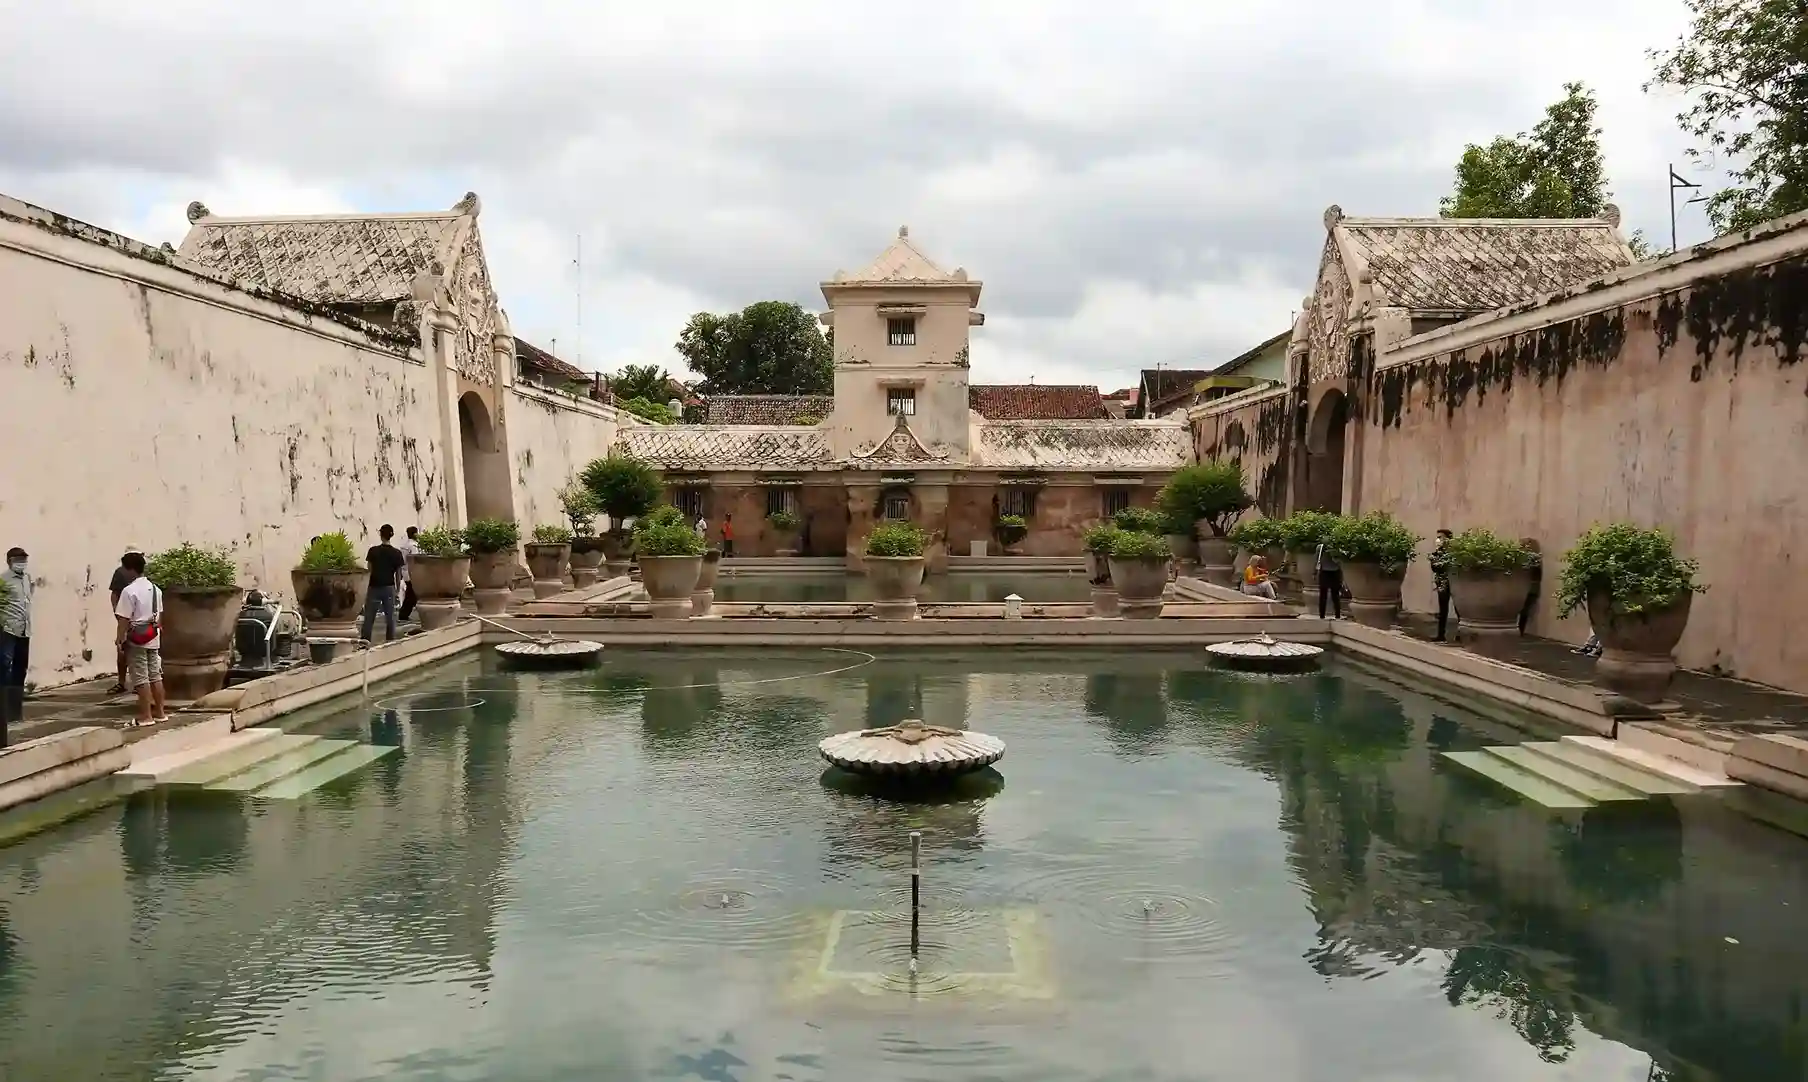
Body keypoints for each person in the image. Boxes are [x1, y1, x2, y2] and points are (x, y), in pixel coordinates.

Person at [114, 551, 166, 728]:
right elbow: (159, 616)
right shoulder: (155, 589)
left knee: (140, 677)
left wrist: (119, 640)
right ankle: (160, 712)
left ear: (130, 570)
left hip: (136, 638)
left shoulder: (129, 591)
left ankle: (145, 716)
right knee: (155, 675)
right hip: (152, 635)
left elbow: (124, 620)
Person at [1, 547, 31, 742]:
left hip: (24, 630)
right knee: (5, 668)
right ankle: (5, 712)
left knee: (21, 669)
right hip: (8, 630)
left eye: (24, 558)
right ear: (9, 561)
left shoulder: (27, 579)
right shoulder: (3, 580)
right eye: (18, 559)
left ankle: (15, 711)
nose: (21, 562)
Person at [360, 524, 407, 644]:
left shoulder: (373, 551)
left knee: (369, 617)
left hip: (373, 587)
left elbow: (369, 570)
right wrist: (396, 590)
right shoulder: (396, 553)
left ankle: (365, 641)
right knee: (390, 616)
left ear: (380, 535)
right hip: (389, 587)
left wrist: (366, 587)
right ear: (392, 535)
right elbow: (398, 573)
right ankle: (390, 640)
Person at [108, 549, 142, 694]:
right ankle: (122, 682)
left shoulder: (142, 583)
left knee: (138, 654)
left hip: (138, 621)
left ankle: (138, 683)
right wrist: (118, 613)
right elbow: (114, 595)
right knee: (123, 651)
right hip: (126, 617)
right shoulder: (121, 574)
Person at [1430, 528, 1455, 642]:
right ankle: (1441, 634)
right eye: (1437, 537)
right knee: (1443, 609)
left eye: (1440, 537)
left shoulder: (1453, 553)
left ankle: (1460, 634)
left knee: (1459, 609)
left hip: (1453, 583)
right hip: (1442, 583)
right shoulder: (1437, 553)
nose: (1438, 540)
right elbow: (1435, 568)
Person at [1518, 537, 1542, 634]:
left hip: (1527, 588)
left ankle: (1520, 630)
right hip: (1532, 588)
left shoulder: (1529, 558)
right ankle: (1520, 631)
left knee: (1523, 611)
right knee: (1524, 611)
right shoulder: (1536, 559)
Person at [397, 525, 420, 622]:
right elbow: (415, 559)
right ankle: (403, 614)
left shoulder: (404, 545)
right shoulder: (413, 546)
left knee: (411, 593)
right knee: (411, 594)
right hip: (412, 572)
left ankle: (404, 613)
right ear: (415, 534)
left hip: (405, 571)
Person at [1314, 539, 1342, 619]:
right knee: (1335, 595)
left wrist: (1314, 572)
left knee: (1323, 595)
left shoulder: (1320, 547)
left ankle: (1322, 615)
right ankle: (1337, 615)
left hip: (1324, 572)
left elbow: (1316, 560)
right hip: (1335, 571)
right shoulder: (1338, 547)